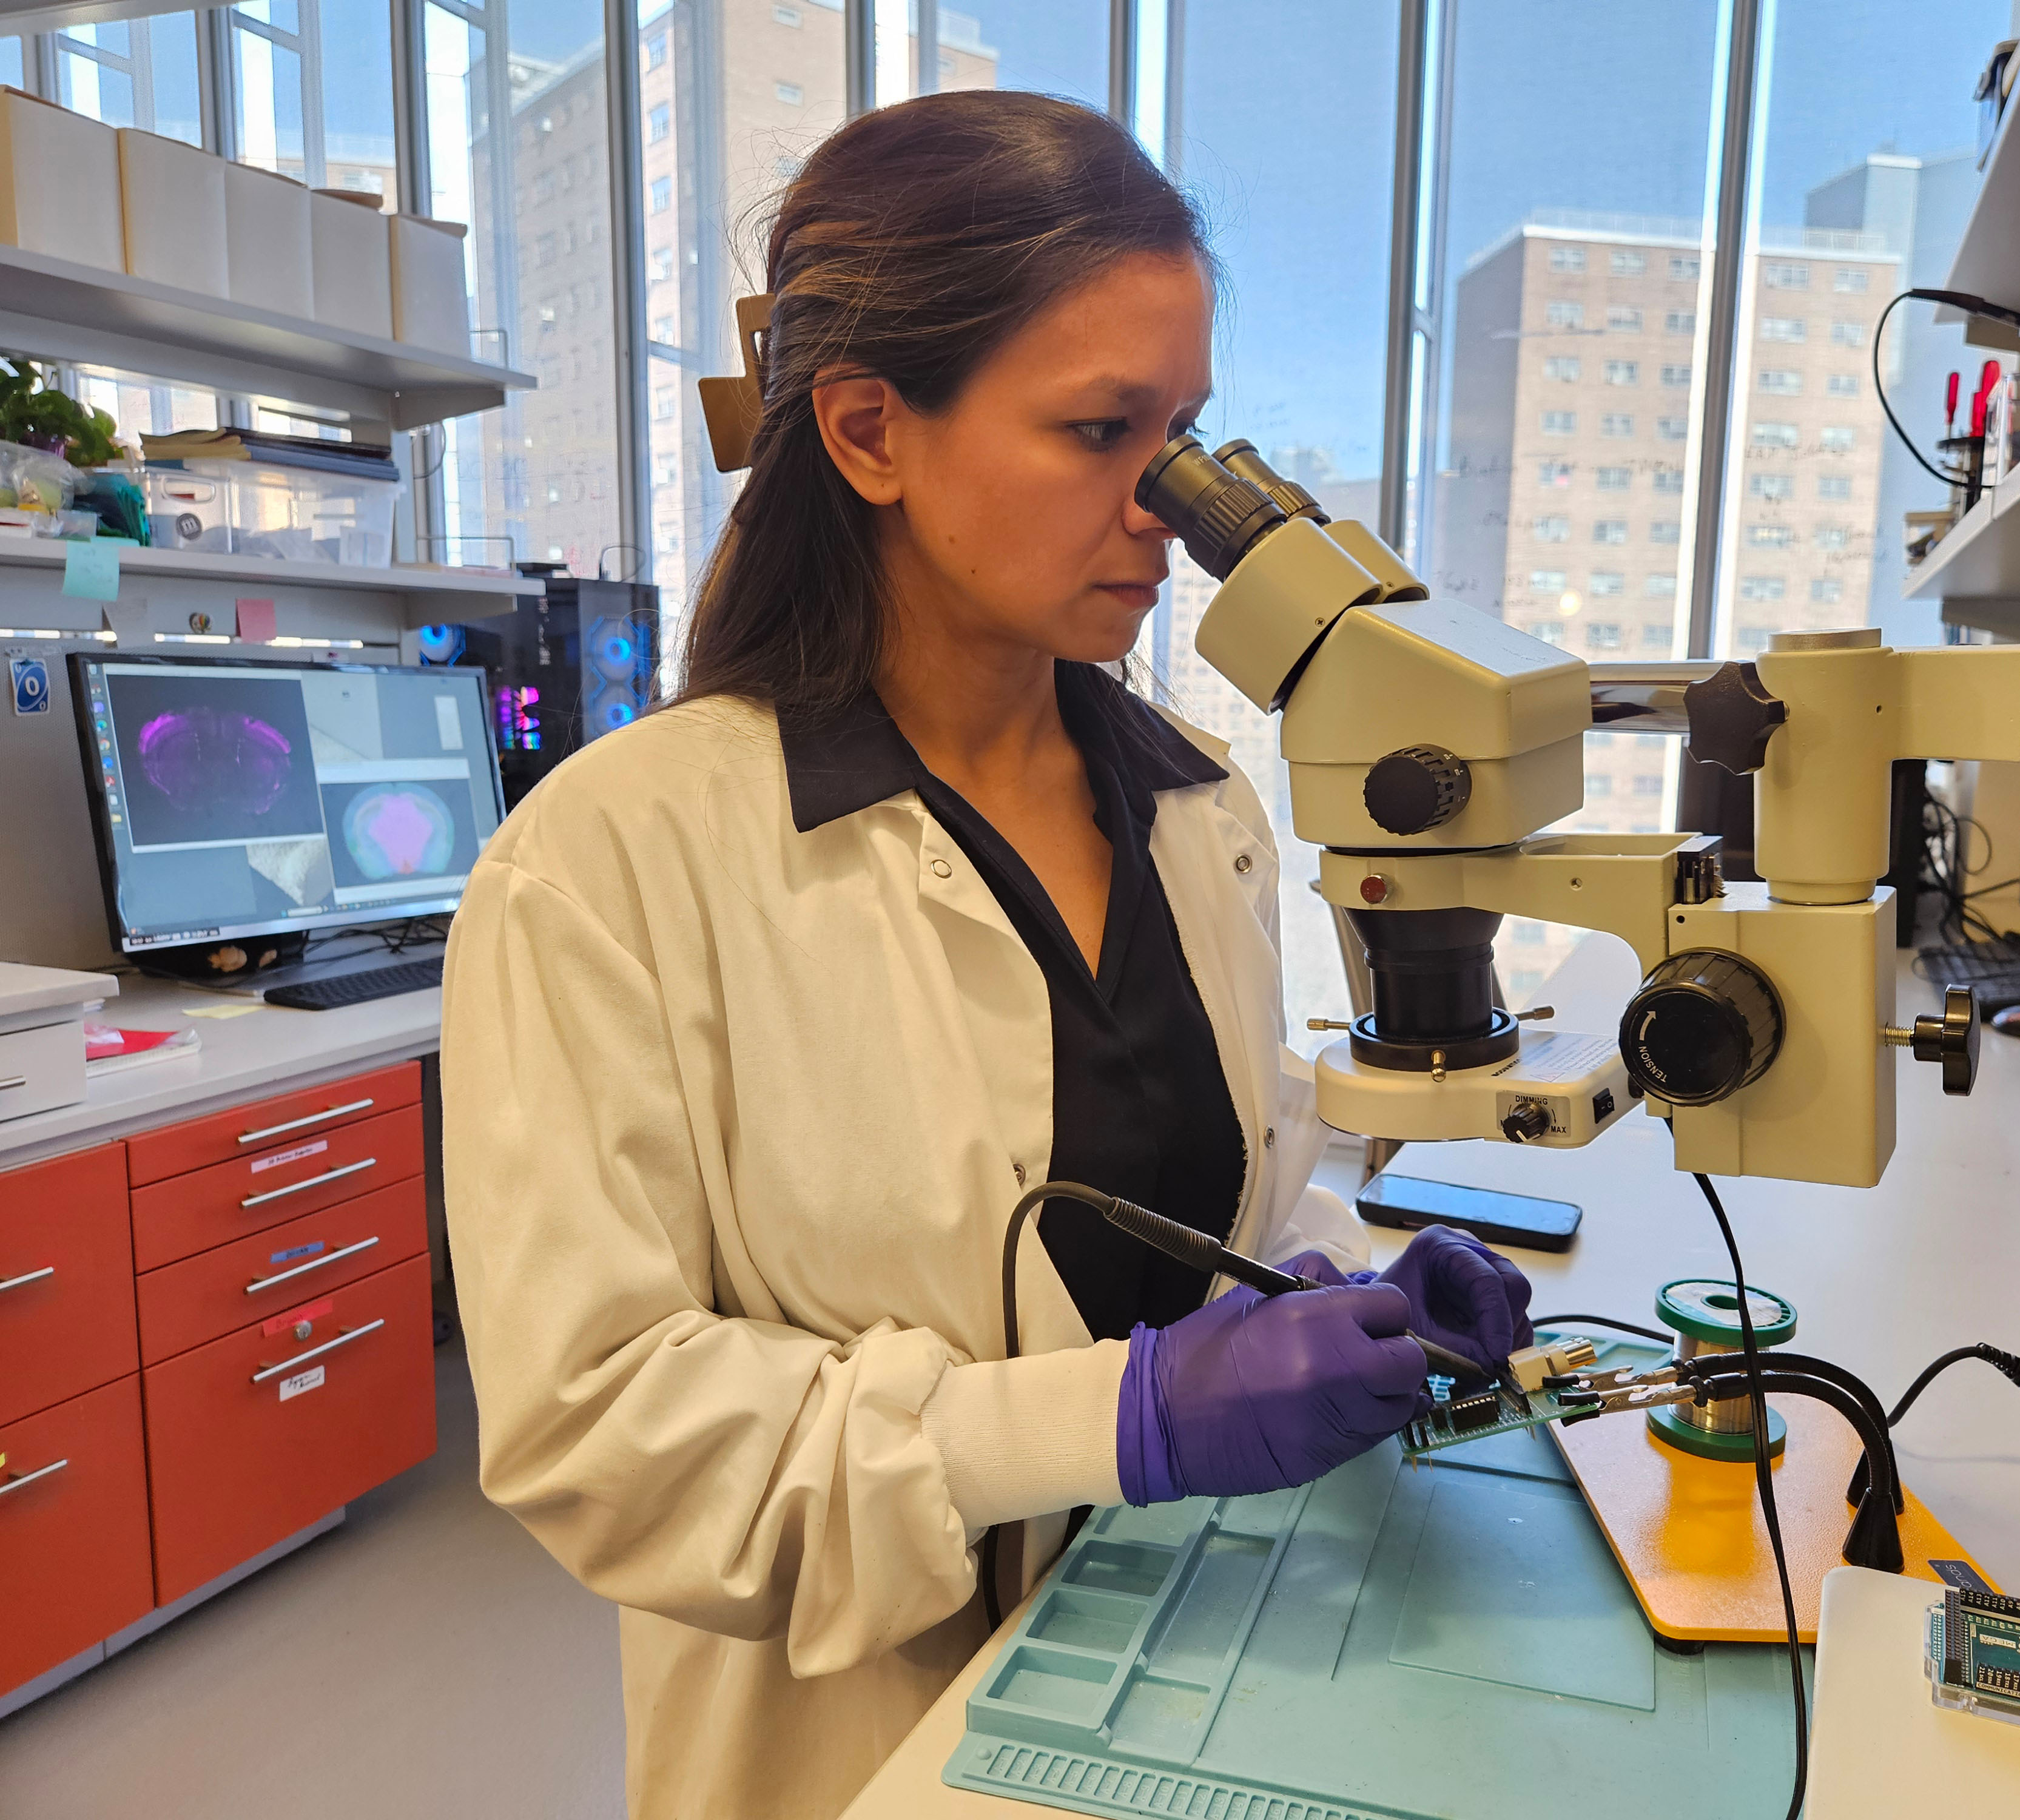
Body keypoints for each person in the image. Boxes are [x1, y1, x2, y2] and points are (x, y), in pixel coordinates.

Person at [439, 89, 1533, 1820]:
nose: (1171, 508)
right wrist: (1118, 1420)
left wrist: (1332, 1290)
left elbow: (1216, 1193)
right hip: (872, 1752)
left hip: (1206, 1669)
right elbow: (598, 1430)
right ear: (872, 433)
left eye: (1186, 433)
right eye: (1105, 431)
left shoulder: (1201, 811)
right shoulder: (614, 861)